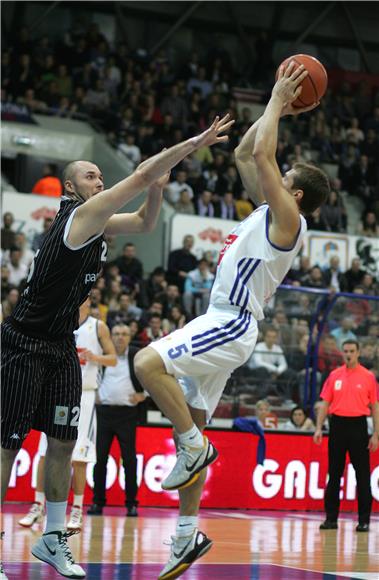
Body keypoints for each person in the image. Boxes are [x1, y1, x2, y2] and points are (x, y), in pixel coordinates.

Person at [1, 114, 233, 579]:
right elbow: (140, 172)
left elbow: (148, 222)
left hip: (61, 345)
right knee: (7, 448)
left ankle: (51, 539)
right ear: (71, 187)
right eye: (92, 175)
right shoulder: (80, 216)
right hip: (23, 344)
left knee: (65, 443)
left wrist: (158, 187)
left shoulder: (100, 225)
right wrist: (195, 142)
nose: (99, 180)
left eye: (101, 176)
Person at [134, 62, 330, 579]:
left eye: (285, 180)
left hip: (231, 320)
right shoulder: (268, 209)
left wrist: (273, 101)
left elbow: (264, 153)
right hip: (224, 321)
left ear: (298, 195)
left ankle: (196, 447)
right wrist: (280, 110)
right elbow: (248, 152)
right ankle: (185, 534)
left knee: (146, 363)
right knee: (193, 418)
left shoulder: (289, 218)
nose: (275, 176)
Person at [18, 298, 116, 531]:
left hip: (85, 394)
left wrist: (95, 357)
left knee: (79, 455)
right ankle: (38, 506)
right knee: (44, 451)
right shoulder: (59, 322)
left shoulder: (97, 326)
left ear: (89, 300)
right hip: (58, 393)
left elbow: (113, 359)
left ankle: (77, 510)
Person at [314, 340, 379, 532]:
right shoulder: (335, 375)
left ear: (358, 352)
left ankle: (364, 520)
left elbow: (375, 406)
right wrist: (318, 427)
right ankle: (331, 519)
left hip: (358, 426)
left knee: (362, 475)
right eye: (346, 351)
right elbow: (325, 403)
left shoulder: (368, 377)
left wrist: (376, 433)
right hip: (338, 425)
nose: (348, 354)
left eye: (352, 351)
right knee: (334, 474)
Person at [87, 324, 145, 517]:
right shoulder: (103, 355)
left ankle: (131, 504)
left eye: (124, 334)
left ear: (130, 337)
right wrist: (93, 394)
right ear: (110, 336)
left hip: (127, 415)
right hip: (103, 414)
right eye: (117, 334)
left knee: (129, 460)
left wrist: (144, 394)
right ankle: (97, 502)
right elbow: (89, 374)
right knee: (100, 460)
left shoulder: (136, 355)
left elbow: (154, 377)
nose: (120, 337)